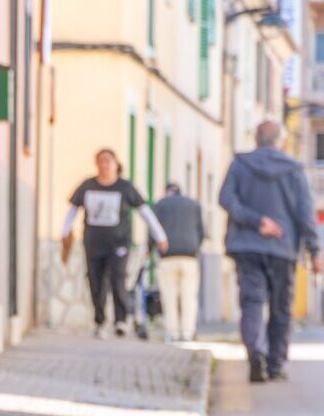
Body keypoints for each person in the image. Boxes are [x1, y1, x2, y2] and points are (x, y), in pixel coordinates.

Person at [218, 121, 323, 383]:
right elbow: (304, 213)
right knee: (281, 309)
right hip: (282, 249)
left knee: (251, 302)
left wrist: (255, 221)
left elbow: (226, 198)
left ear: (256, 137)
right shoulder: (294, 169)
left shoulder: (240, 164)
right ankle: (275, 364)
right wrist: (315, 250)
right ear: (281, 140)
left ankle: (255, 350)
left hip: (247, 246)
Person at [61, 149, 170, 338]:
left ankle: (121, 320)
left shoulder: (125, 187)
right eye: (100, 161)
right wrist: (64, 231)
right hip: (93, 242)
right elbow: (73, 209)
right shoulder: (87, 185)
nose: (104, 165)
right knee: (96, 281)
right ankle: (100, 321)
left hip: (119, 242)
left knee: (118, 277)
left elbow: (144, 211)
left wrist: (159, 235)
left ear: (116, 164)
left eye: (108, 161)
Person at [151, 183, 206, 342]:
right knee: (189, 296)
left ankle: (172, 332)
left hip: (167, 255)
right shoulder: (194, 205)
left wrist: (150, 248)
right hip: (189, 256)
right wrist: (195, 247)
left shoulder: (160, 205)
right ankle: (188, 332)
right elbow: (201, 231)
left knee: (169, 296)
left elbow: (154, 230)